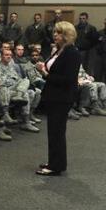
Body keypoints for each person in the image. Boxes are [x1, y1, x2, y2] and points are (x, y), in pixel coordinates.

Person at [34, 22, 81, 176]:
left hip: (62, 97)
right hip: (53, 95)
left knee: (57, 132)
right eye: (54, 32)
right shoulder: (59, 51)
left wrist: (45, 74)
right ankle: (54, 162)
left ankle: (56, 166)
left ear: (67, 35)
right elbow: (54, 70)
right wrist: (43, 68)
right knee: (53, 132)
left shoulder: (72, 53)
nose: (55, 35)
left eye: (59, 33)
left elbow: (67, 79)